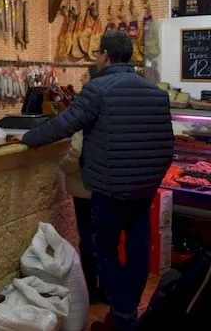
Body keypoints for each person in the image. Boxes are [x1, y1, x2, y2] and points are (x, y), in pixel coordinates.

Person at [22, 31, 174, 331]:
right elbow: (166, 143)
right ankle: (125, 313)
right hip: (144, 188)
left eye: (97, 53)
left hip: (109, 187)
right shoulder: (155, 92)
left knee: (104, 252)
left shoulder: (98, 88)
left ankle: (125, 313)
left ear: (104, 55)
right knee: (137, 250)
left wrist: (27, 138)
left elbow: (66, 124)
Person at [59, 64, 104, 304]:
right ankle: (106, 289)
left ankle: (91, 292)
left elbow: (77, 149)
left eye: (84, 75)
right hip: (108, 184)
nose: (80, 78)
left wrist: (63, 167)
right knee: (105, 238)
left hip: (86, 186)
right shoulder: (110, 99)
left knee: (88, 239)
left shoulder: (87, 103)